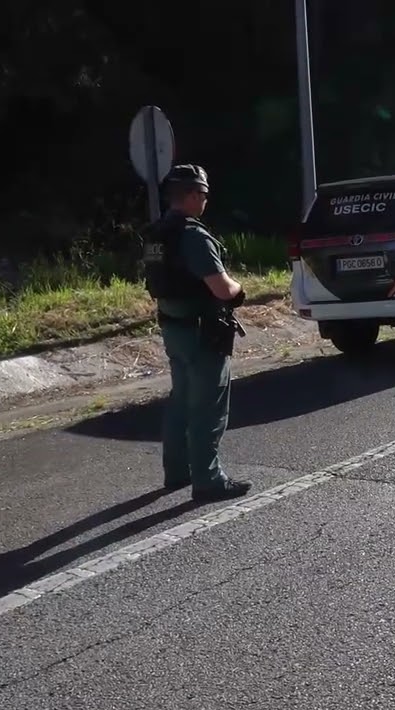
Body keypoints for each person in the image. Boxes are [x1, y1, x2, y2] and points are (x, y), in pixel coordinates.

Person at [141, 164, 252, 503]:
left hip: (173, 327)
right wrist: (239, 288)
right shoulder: (193, 236)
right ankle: (208, 480)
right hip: (203, 332)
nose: (205, 200)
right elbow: (222, 289)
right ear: (190, 196)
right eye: (202, 194)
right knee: (208, 406)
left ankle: (177, 471)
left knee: (180, 400)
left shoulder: (157, 233)